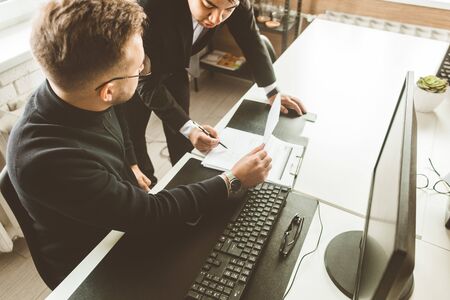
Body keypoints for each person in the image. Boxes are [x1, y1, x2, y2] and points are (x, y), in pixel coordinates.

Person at [6, 0, 271, 288]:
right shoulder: (49, 160)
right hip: (97, 261)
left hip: (113, 212)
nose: (145, 71)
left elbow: (116, 117)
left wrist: (130, 162)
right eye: (139, 68)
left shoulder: (76, 92)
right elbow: (150, 214)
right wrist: (233, 180)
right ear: (108, 90)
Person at [125, 0, 307, 188]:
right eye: (208, 5)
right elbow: (145, 82)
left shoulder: (234, 2)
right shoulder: (150, 7)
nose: (216, 19)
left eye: (227, 10)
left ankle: (185, 186)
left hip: (176, 66)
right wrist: (189, 128)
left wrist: (272, 92)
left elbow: (251, 38)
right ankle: (147, 190)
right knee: (133, 135)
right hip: (133, 75)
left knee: (183, 133)